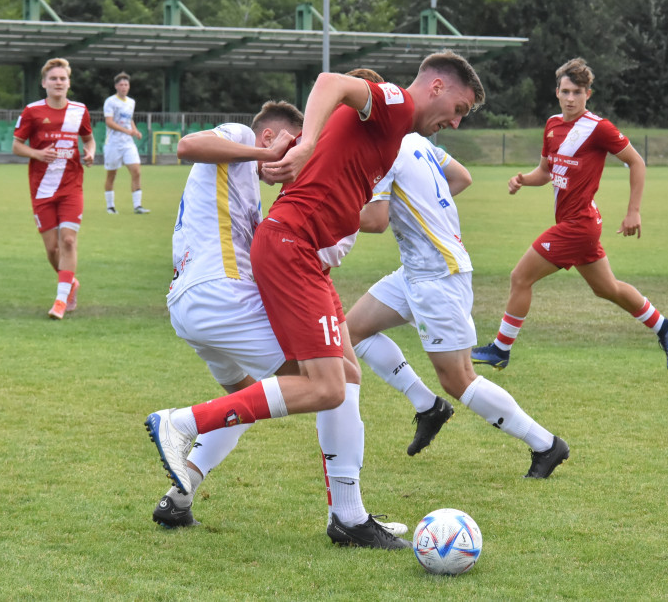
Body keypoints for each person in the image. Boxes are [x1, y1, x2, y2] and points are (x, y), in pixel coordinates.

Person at [145, 51, 485, 549]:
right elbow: (331, 80)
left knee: (342, 379)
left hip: (289, 260)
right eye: (460, 107)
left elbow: (366, 208)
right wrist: (302, 145)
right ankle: (183, 422)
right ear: (435, 86)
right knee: (328, 387)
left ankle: (346, 516)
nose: (456, 121)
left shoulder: (385, 141)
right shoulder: (392, 103)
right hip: (282, 255)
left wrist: (309, 152)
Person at [150, 101, 407, 546]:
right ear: (270, 137)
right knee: (337, 379)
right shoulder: (241, 136)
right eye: (296, 142)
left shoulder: (244, 179)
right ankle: (348, 515)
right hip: (221, 295)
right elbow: (188, 145)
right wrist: (271, 156)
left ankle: (180, 494)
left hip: (195, 304)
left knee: (248, 398)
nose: (300, 153)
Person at [346, 131, 569, 478]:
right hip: (416, 270)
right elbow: (461, 176)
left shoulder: (382, 146)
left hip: (438, 276)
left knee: (459, 379)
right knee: (353, 332)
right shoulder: (415, 139)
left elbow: (374, 220)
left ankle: (546, 445)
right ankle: (428, 406)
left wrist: (323, 212)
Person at [472, 57, 668, 372]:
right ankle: (665, 326)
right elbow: (545, 171)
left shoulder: (599, 129)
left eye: (578, 92)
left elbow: (637, 162)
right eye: (566, 91)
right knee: (606, 288)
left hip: (579, 226)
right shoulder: (552, 125)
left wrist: (633, 211)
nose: (571, 98)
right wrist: (523, 180)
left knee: (520, 277)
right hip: (580, 224)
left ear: (588, 94)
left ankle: (501, 349)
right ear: (557, 92)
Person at [11, 58, 95, 320]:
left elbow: (89, 139)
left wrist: (90, 153)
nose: (58, 82)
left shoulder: (80, 110)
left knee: (68, 240)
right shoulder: (32, 111)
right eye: (53, 79)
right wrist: (37, 153)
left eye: (63, 79)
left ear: (69, 83)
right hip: (42, 189)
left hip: (72, 186)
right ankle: (70, 283)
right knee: (52, 250)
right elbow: (16, 146)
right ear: (44, 83)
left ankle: (60, 301)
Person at [102, 72, 149, 214]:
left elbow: (130, 119)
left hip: (128, 143)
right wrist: (126, 131)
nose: (124, 87)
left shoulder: (131, 102)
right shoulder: (110, 101)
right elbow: (109, 122)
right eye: (121, 84)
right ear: (116, 86)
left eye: (126, 84)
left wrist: (134, 131)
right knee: (112, 174)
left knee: (136, 171)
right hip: (113, 143)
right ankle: (110, 206)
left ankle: (137, 206)